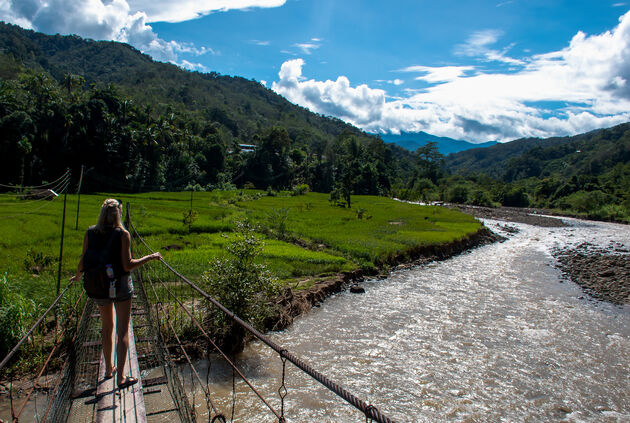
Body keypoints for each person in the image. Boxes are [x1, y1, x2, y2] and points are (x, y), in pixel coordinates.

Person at [71, 199, 162, 389]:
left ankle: (108, 370)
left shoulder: (90, 232)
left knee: (107, 328)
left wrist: (78, 276)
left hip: (98, 287)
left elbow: (84, 259)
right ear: (118, 214)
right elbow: (127, 265)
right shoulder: (123, 234)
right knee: (122, 331)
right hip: (120, 287)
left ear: (102, 213)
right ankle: (121, 377)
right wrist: (150, 257)